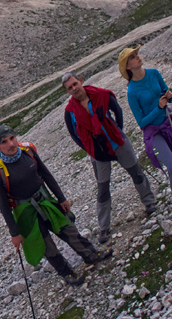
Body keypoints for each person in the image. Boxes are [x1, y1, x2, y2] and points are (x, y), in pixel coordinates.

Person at [0, 124, 110, 286]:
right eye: (4, 141)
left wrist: (61, 198)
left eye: (12, 138)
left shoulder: (28, 153)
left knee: (68, 230)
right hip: (26, 214)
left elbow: (46, 174)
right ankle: (67, 273)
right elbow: (4, 206)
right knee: (47, 247)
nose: (11, 144)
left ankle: (91, 256)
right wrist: (14, 233)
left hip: (45, 201)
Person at [62, 71, 157, 245]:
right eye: (70, 88)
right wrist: (90, 149)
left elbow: (117, 110)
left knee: (135, 171)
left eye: (75, 84)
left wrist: (118, 131)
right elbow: (75, 136)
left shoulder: (102, 95)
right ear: (67, 91)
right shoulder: (70, 112)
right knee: (103, 188)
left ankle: (149, 202)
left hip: (117, 142)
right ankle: (104, 226)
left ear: (81, 81)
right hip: (98, 152)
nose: (74, 89)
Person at [119, 46, 172, 231]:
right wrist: (159, 108)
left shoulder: (154, 73)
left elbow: (166, 93)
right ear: (128, 66)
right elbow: (142, 122)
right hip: (153, 133)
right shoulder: (132, 92)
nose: (138, 57)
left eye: (136, 54)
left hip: (167, 124)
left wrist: (169, 96)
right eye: (133, 57)